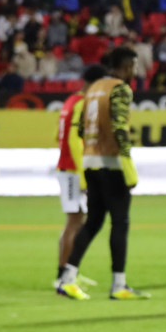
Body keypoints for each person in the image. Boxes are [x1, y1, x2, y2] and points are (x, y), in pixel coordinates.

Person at [55, 47, 150, 301]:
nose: (136, 71)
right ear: (126, 66)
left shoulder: (93, 89)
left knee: (93, 222)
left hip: (90, 162)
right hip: (112, 164)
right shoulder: (120, 89)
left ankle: (67, 278)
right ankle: (119, 284)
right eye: (134, 65)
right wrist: (129, 169)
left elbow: (80, 130)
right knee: (120, 223)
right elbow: (119, 128)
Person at [54, 65, 108, 290]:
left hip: (68, 168)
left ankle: (68, 273)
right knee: (74, 222)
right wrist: (82, 173)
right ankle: (62, 278)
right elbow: (74, 140)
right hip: (72, 171)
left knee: (75, 221)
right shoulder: (82, 103)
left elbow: (58, 136)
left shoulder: (70, 101)